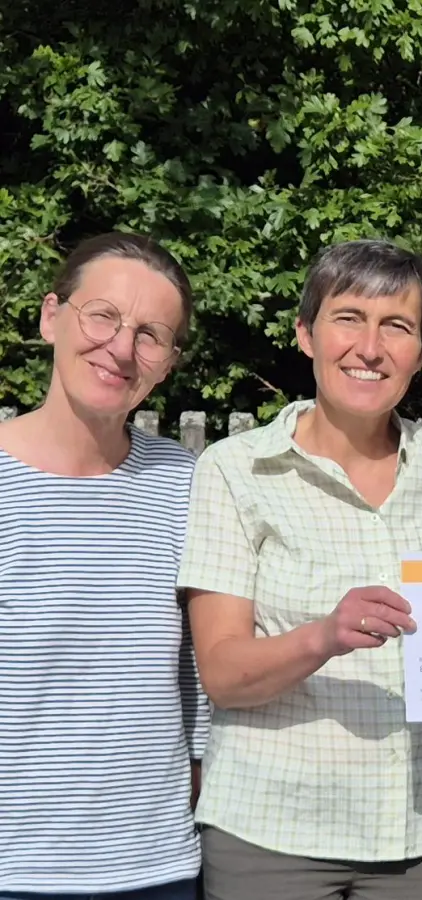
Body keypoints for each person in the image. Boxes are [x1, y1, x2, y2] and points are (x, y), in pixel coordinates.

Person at [177, 239, 422, 900]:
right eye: (348, 317)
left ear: (421, 352)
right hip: (271, 831)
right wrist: (325, 635)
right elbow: (224, 674)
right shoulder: (237, 471)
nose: (369, 347)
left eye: (397, 326)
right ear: (305, 334)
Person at [0, 233, 208, 900]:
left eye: (151, 334)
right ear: (50, 315)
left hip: (158, 868)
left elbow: (198, 676)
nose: (122, 348)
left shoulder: (186, 483)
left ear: (168, 364)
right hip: (16, 867)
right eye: (103, 316)